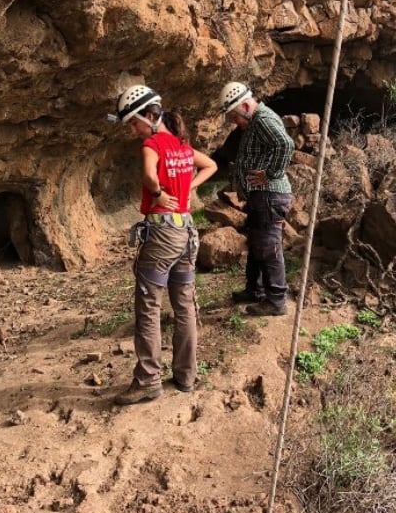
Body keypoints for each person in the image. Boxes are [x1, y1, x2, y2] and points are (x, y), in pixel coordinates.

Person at [111, 84, 218, 405]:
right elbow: (210, 164)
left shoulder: (152, 143)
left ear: (149, 116)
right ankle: (186, 375)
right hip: (186, 231)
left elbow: (147, 175)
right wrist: (187, 192)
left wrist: (158, 194)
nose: (132, 129)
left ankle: (147, 380)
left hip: (162, 234)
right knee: (184, 304)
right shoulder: (182, 146)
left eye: (133, 121)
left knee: (149, 305)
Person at [218, 81, 295, 317]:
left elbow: (285, 144)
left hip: (270, 194)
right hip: (261, 195)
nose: (234, 122)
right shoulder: (256, 120)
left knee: (269, 246)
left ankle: (276, 301)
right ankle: (256, 290)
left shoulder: (262, 119)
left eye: (234, 116)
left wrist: (270, 174)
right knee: (258, 244)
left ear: (245, 105)